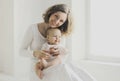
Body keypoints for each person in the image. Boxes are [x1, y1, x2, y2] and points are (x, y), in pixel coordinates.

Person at [20, 4, 97, 81]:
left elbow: (63, 56)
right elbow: (21, 51)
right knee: (65, 70)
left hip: (55, 67)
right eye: (56, 16)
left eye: (61, 21)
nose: (56, 22)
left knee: (74, 70)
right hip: (39, 70)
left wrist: (59, 52)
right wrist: (35, 53)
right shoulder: (33, 29)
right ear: (51, 12)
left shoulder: (59, 33)